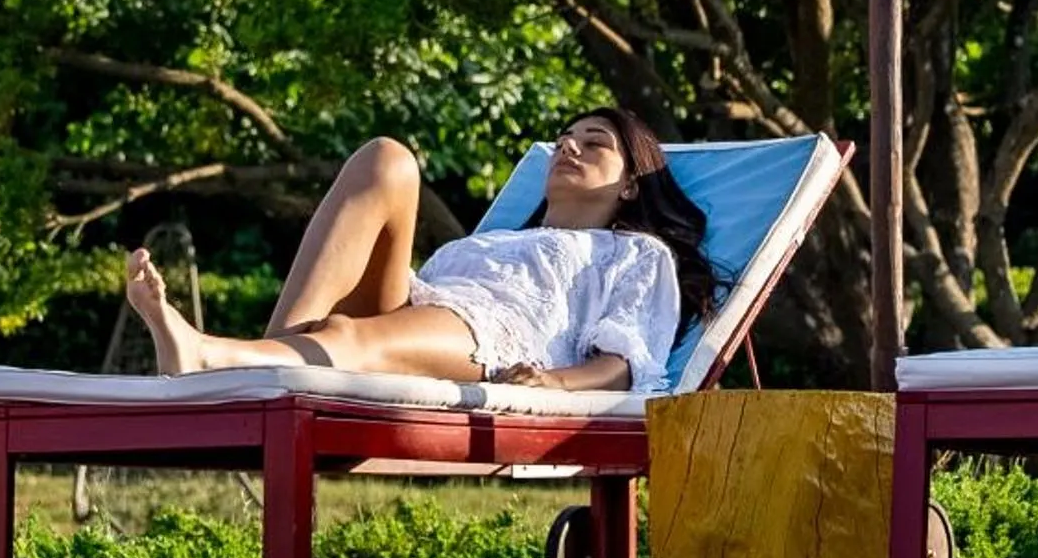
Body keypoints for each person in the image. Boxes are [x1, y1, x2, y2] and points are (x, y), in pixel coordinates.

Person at [125, 108, 724, 393]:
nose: (568, 146)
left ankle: (212, 357)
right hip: (431, 309)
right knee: (386, 158)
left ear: (630, 185)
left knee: (346, 333)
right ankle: (269, 366)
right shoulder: (501, 240)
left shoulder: (634, 254)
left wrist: (556, 384)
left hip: (498, 337)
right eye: (564, 138)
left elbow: (625, 361)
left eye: (593, 144)